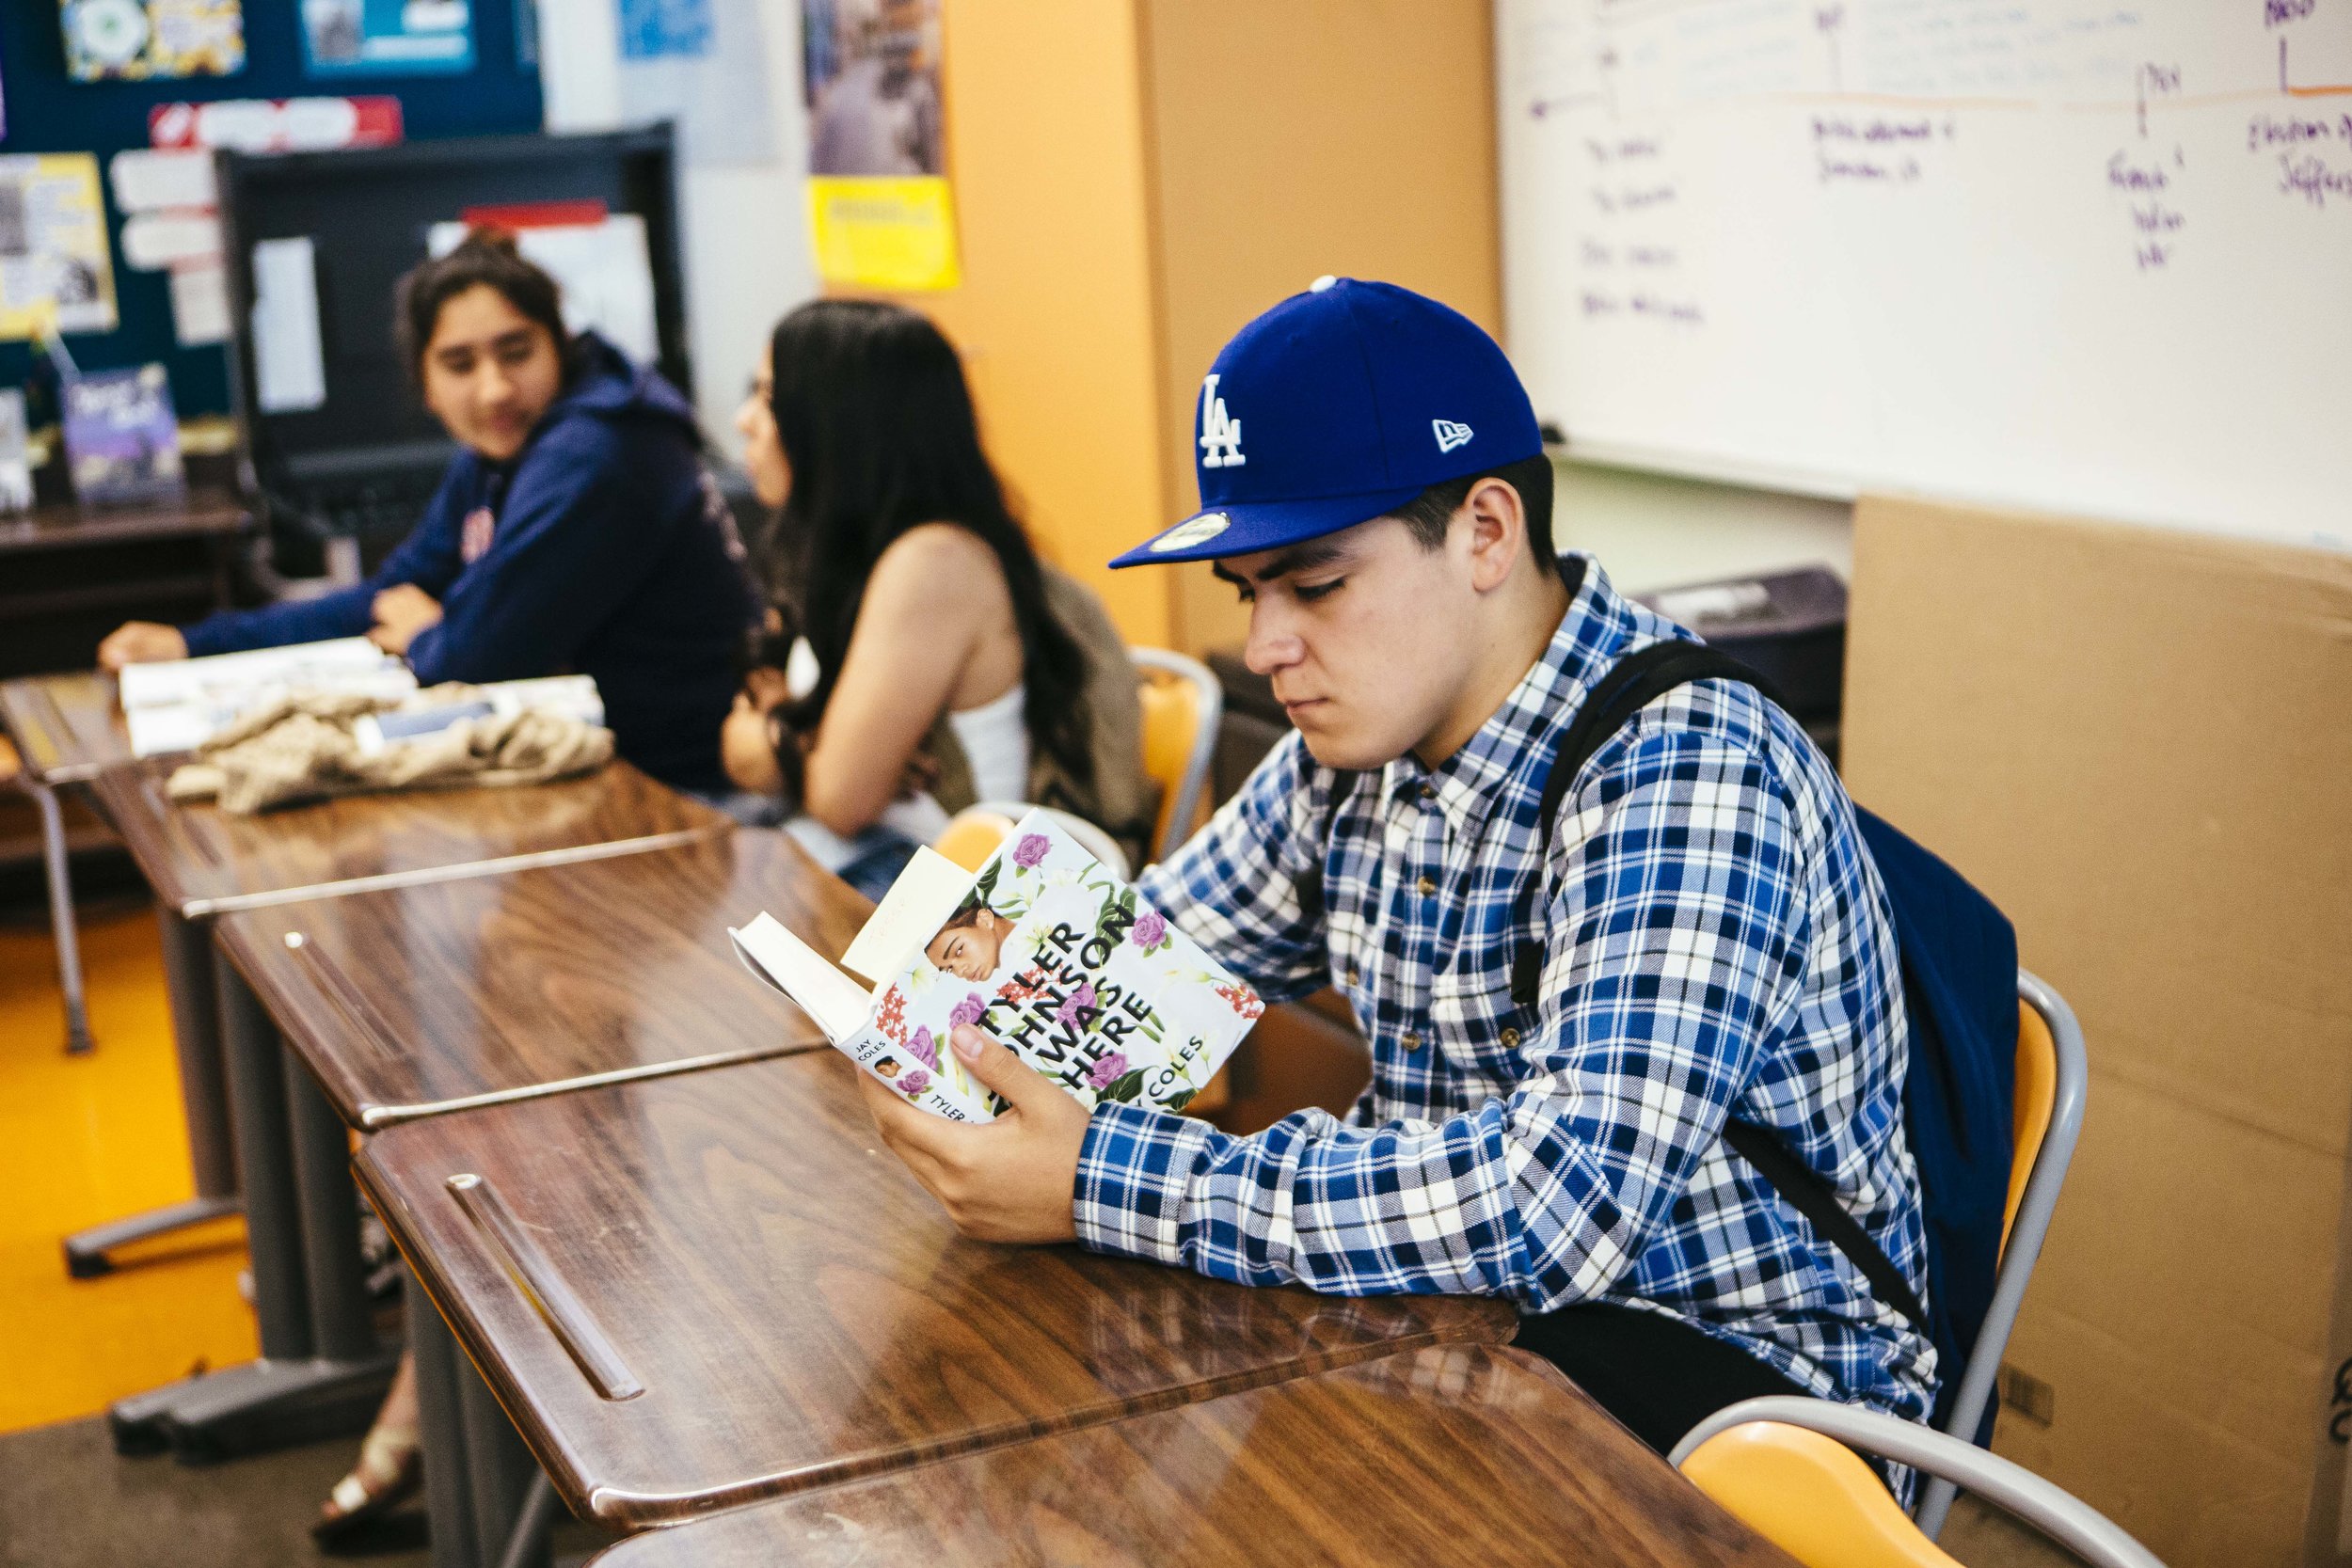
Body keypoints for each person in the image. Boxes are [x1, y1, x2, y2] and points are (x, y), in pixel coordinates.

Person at [856, 277, 1938, 1472]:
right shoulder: (1356, 746)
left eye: (1315, 585)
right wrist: (933, 1036)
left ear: (1484, 531)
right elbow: (1141, 960)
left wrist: (1098, 1174)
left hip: (1741, 1407)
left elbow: (1550, 1204)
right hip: (1462, 1327)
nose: (1268, 647)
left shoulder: (1684, 772)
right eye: (1249, 592)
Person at [99, 230, 759, 799]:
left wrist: (428, 633)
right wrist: (194, 644)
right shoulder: (504, 450)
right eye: (459, 363)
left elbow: (469, 655)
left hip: (686, 791)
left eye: (517, 351)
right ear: (425, 383)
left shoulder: (595, 454)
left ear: (559, 344)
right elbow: (393, 593)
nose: (494, 388)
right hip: (602, 763)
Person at [723, 298, 1151, 897]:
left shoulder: (933, 563)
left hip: (972, 902)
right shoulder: (845, 555)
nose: (744, 420)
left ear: (837, 423)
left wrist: (796, 743)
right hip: (887, 868)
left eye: (769, 398)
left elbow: (840, 800)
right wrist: (807, 744)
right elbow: (736, 742)